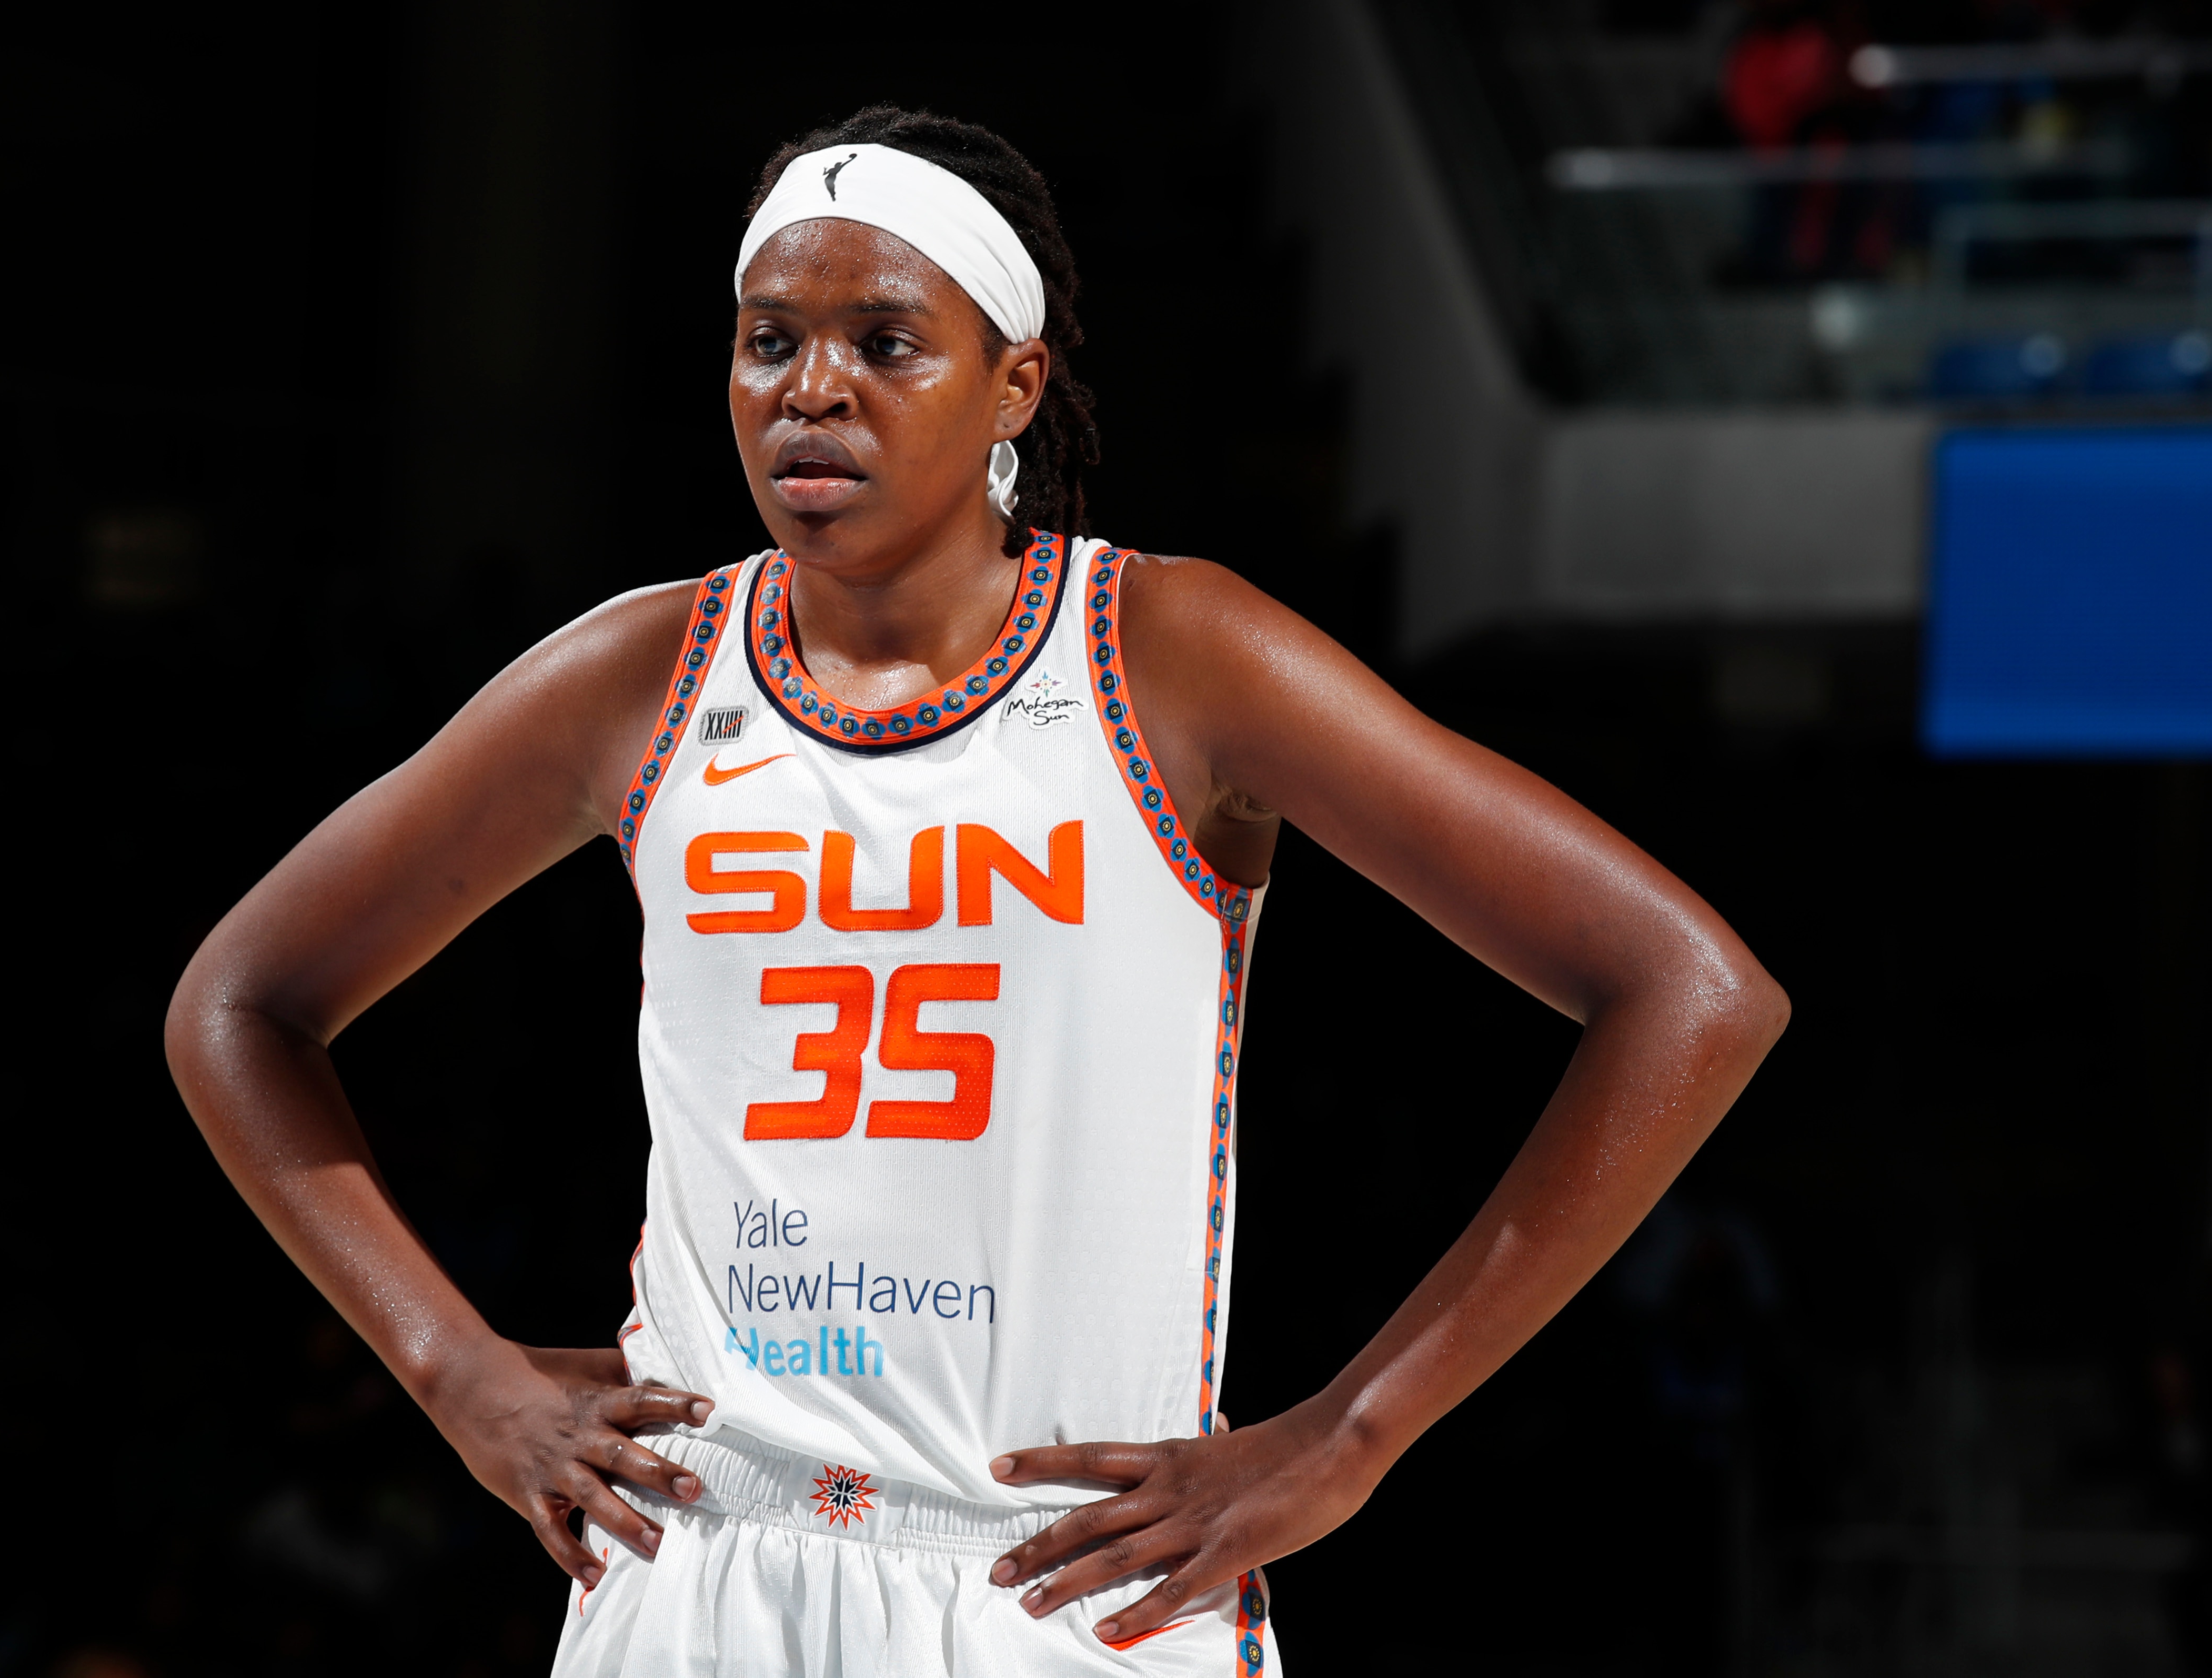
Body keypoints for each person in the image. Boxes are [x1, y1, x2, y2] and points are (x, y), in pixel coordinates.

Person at [165, 105, 1788, 1676]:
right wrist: (456, 1374)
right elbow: (238, 1006)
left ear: (1015, 384)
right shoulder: (642, 675)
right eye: (768, 340)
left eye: (884, 342)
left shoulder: (1171, 653)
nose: (813, 391)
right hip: (700, 1571)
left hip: (1064, 1588)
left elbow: (1691, 992)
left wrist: (1355, 1434)